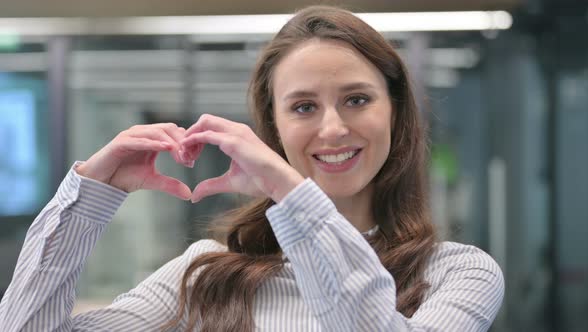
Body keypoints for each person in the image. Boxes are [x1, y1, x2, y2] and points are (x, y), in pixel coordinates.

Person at [0, 5, 504, 332]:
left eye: (356, 99)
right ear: (275, 129)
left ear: (394, 110)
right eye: (303, 107)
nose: (332, 129)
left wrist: (288, 190)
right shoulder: (207, 273)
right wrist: (89, 194)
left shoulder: (458, 272)